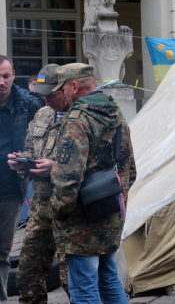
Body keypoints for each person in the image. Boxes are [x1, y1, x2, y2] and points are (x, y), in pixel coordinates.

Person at [49, 63, 136, 304]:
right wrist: (119, 205)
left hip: (81, 220)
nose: (62, 94)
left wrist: (58, 212)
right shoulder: (115, 113)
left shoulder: (76, 119)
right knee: (109, 279)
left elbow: (68, 179)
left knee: (84, 286)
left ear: (74, 86)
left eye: (62, 88)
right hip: (111, 210)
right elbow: (130, 168)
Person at [7, 64, 70, 304]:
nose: (46, 101)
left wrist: (55, 167)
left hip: (69, 210)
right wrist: (23, 163)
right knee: (27, 276)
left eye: (51, 95)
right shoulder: (42, 114)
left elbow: (91, 163)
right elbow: (32, 148)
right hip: (41, 210)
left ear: (66, 89)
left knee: (71, 279)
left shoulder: (81, 116)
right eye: (42, 95)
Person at [0, 55, 41, 303]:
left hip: (10, 189)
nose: (1, 81)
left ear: (14, 75)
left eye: (5, 76)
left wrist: (27, 158)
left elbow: (42, 144)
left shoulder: (29, 104)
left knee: (3, 251)